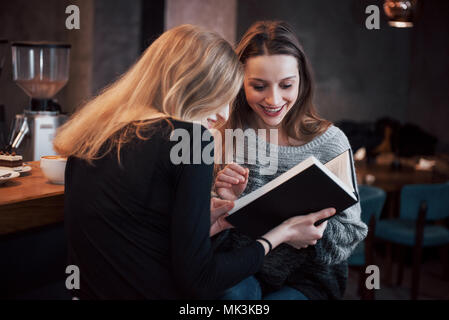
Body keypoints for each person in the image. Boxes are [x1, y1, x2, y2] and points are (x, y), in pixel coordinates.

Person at [53, 24, 336, 300]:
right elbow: (202, 281)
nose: (225, 114)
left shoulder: (90, 134)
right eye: (220, 96)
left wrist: (202, 224)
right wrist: (281, 234)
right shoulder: (192, 139)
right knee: (245, 292)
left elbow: (133, 235)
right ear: (191, 87)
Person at [213, 21, 368, 300]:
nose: (274, 99)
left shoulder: (331, 141)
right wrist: (225, 203)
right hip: (241, 267)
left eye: (286, 85)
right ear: (239, 83)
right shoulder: (223, 136)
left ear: (302, 81)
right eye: (259, 86)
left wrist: (312, 234)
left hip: (309, 278)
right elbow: (202, 233)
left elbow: (351, 235)